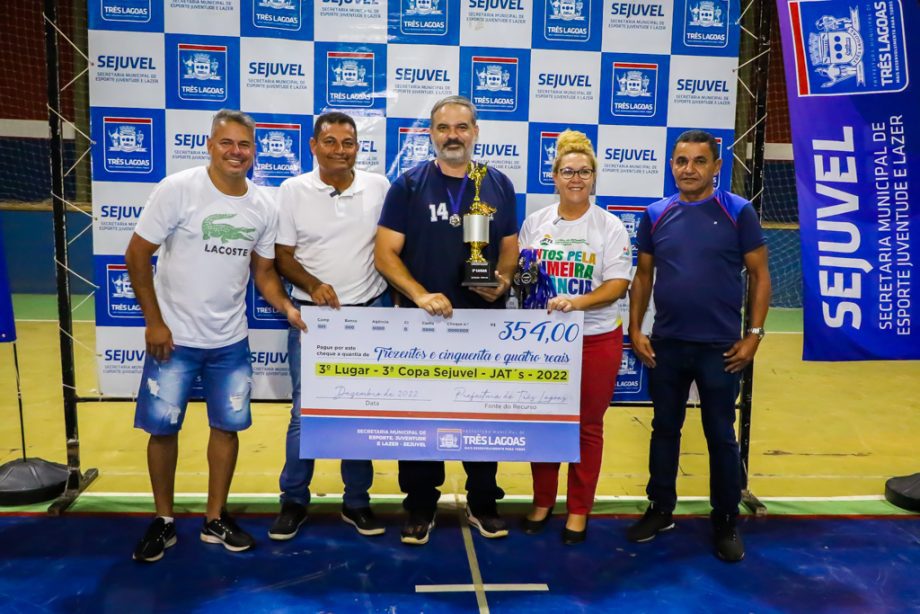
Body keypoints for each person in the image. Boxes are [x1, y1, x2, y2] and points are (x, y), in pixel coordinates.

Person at [126, 109, 305, 563]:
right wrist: (154, 321)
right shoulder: (178, 189)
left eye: (244, 145)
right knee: (163, 431)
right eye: (227, 143)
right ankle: (163, 521)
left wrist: (285, 305)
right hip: (174, 339)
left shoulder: (264, 205)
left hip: (230, 342)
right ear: (210, 145)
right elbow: (137, 253)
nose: (236, 152)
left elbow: (263, 273)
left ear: (254, 151)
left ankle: (214, 518)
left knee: (226, 429)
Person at [374, 95, 519, 545]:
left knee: (481, 418)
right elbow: (384, 254)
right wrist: (418, 294)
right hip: (423, 329)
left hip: (482, 326)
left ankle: (482, 502)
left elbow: (510, 247)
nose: (452, 135)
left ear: (475, 132)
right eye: (443, 128)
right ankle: (419, 505)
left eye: (461, 127)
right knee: (420, 420)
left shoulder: (497, 184)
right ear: (431, 134)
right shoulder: (409, 186)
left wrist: (503, 280)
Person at [626, 129, 771, 562]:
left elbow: (761, 276)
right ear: (672, 165)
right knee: (664, 430)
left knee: (720, 436)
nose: (689, 169)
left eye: (699, 161)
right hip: (667, 344)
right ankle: (660, 508)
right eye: (681, 161)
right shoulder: (655, 214)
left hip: (721, 349)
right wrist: (636, 330)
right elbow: (643, 277)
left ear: (716, 166)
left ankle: (725, 517)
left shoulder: (737, 212)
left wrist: (754, 336)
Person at [269, 112, 391, 541]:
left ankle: (357, 502)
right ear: (313, 146)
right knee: (305, 413)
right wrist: (313, 285)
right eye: (331, 141)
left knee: (359, 412)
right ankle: (293, 500)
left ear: (358, 147)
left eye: (348, 142)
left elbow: (393, 248)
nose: (340, 149)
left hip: (369, 315)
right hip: (311, 319)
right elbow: (282, 257)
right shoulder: (292, 190)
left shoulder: (379, 187)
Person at [517, 130, 632, 544]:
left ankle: (579, 508)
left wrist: (577, 303)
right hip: (546, 343)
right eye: (569, 171)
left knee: (587, 426)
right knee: (544, 423)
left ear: (595, 177)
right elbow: (525, 279)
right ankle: (543, 500)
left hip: (595, 339)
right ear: (555, 175)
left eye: (585, 171)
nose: (577, 178)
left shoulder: (610, 226)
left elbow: (618, 285)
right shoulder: (536, 223)